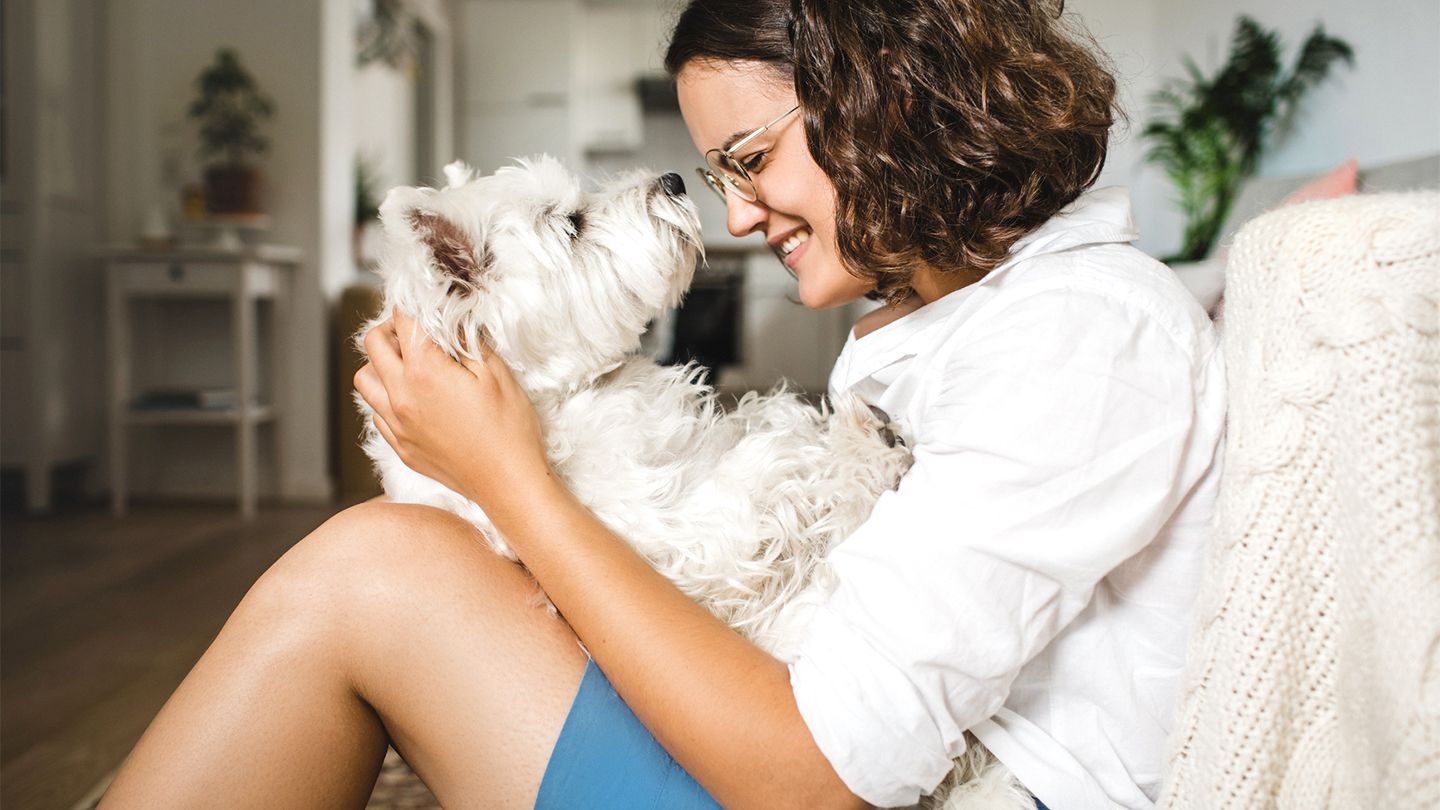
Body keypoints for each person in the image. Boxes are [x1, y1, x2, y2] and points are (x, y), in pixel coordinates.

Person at [99, 1, 1225, 808]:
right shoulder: (970, 320)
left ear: (890, 95)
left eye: (751, 158)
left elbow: (817, 776)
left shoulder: (1079, 333)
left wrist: (510, 480)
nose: (737, 218)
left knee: (368, 571)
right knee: (381, 565)